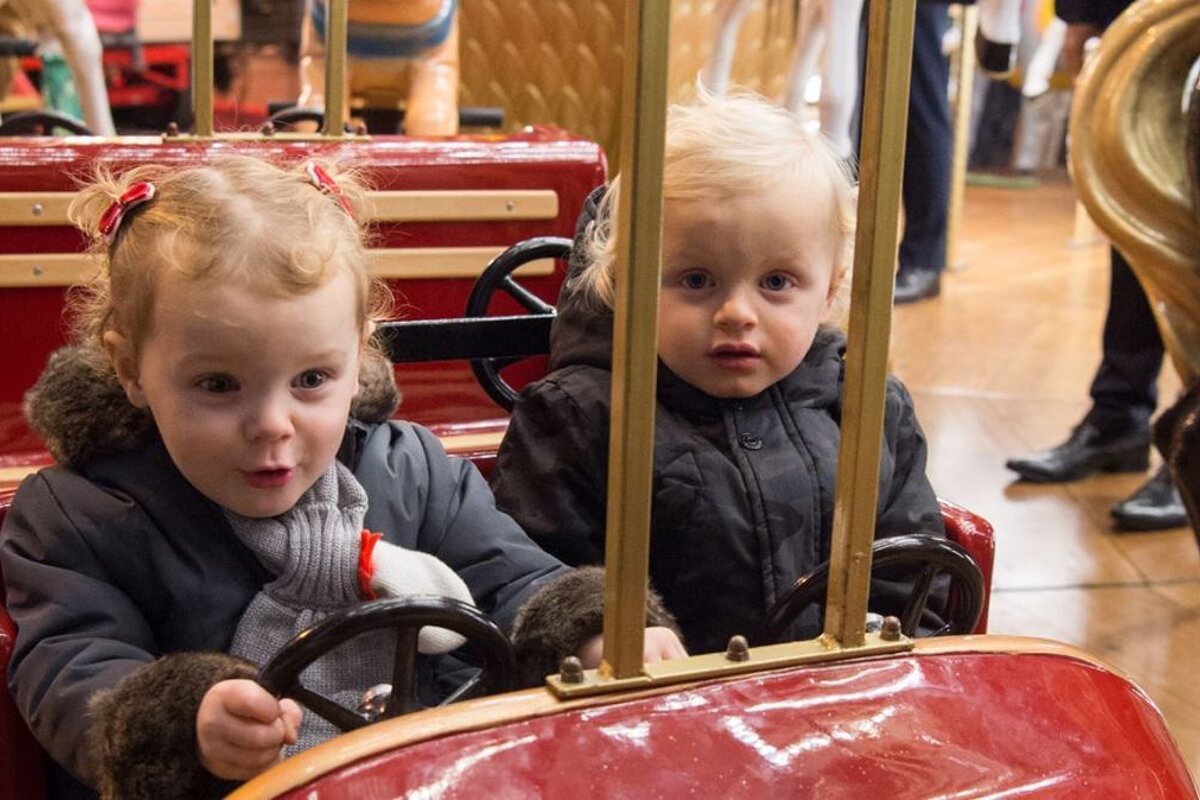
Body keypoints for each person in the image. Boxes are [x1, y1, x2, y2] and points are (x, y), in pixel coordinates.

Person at [0, 156, 685, 800]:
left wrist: (594, 631)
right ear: (130, 370)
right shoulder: (76, 516)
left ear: (359, 357)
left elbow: (514, 579)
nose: (272, 424)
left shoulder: (413, 472)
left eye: (310, 380)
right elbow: (70, 666)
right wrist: (187, 720)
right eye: (218, 384)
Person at [492, 91, 946, 657]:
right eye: (697, 281)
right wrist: (595, 631)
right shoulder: (577, 417)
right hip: (652, 712)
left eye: (777, 282)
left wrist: (891, 641)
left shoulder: (866, 407)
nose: (737, 312)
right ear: (628, 285)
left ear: (828, 290)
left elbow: (920, 572)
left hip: (839, 696)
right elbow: (529, 574)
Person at [1003, 0, 1187, 531]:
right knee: (1140, 203)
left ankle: (1191, 442)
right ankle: (1117, 420)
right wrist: (1082, 11)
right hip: (1146, 17)